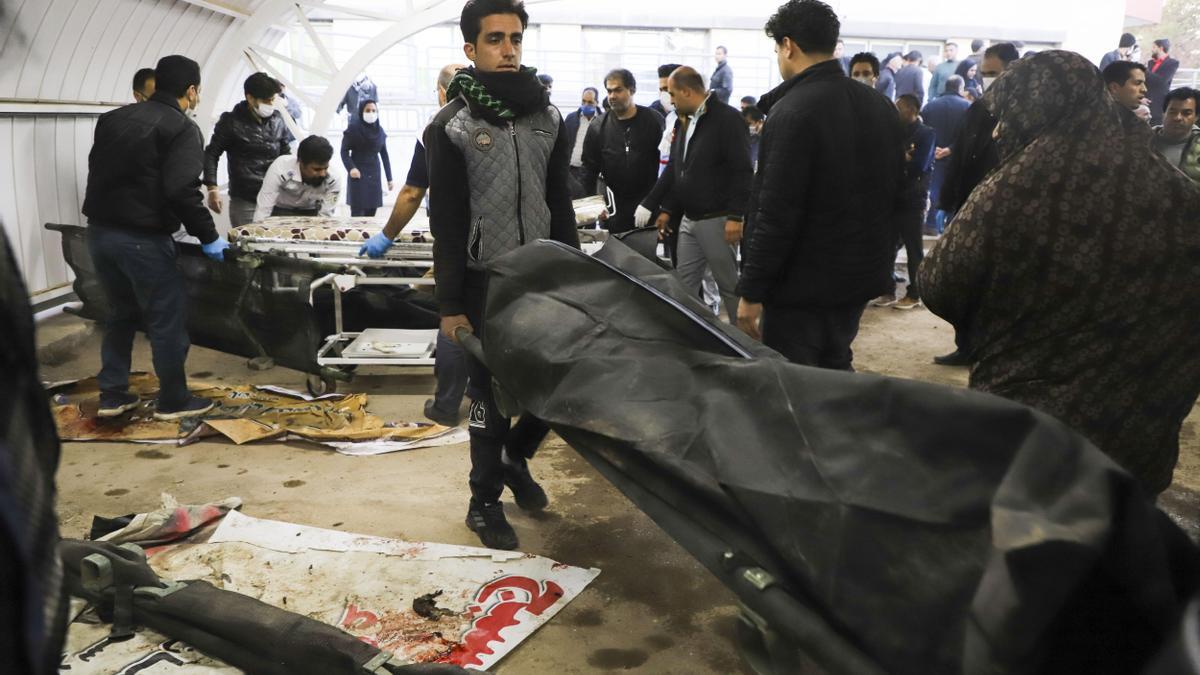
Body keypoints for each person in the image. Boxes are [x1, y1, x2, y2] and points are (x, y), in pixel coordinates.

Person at [921, 50, 1200, 498]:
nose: (999, 130)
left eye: (1007, 116)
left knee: (1031, 533)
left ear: (1032, 110)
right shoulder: (1176, 189)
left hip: (1033, 427)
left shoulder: (1017, 186)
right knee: (1119, 528)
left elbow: (940, 282)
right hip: (1141, 423)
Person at [425, 0, 579, 551]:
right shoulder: (452, 125)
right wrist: (450, 304)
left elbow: (559, 201)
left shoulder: (549, 118)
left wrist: (573, 273)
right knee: (488, 397)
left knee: (559, 381)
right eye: (495, 39)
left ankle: (517, 455)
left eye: (515, 38)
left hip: (539, 277)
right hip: (482, 282)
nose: (508, 49)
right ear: (471, 49)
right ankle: (484, 502)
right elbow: (446, 220)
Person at [736, 0, 904, 370]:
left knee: (796, 382)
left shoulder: (793, 110)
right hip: (857, 277)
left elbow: (776, 211)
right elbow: (897, 196)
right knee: (836, 363)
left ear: (788, 46)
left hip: (800, 285)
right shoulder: (880, 105)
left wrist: (752, 291)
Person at [82, 54, 229, 421]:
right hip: (142, 241)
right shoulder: (182, 129)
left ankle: (113, 395)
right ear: (191, 90)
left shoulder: (112, 119)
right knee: (165, 321)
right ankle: (174, 400)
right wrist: (209, 236)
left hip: (99, 234)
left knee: (119, 314)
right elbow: (181, 190)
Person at [359, 64, 469, 427]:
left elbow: (411, 192)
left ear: (441, 92)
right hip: (498, 236)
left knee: (454, 316)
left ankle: (446, 406)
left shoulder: (437, 126)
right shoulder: (501, 123)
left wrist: (387, 235)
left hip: (455, 239)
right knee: (489, 314)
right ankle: (485, 394)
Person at [931, 42, 1019, 367]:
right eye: (984, 73)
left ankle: (996, 350)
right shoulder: (979, 109)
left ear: (1013, 70)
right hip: (970, 206)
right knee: (965, 281)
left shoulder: (1030, 112)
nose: (986, 79)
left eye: (993, 73)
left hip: (1009, 212)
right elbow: (961, 155)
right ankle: (966, 345)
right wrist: (948, 201)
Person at [641, 66, 751, 323]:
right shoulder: (684, 121)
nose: (669, 100)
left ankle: (744, 340)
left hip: (717, 218)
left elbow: (743, 170)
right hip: (689, 219)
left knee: (728, 285)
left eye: (672, 93)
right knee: (685, 286)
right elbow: (679, 169)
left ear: (687, 92)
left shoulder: (728, 119)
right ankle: (688, 336)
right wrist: (667, 209)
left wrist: (736, 216)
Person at [579, 69, 664, 234]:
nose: (612, 96)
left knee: (644, 250)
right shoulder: (598, 126)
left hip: (647, 206)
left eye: (618, 90)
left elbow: (666, 166)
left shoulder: (654, 120)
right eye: (609, 91)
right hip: (613, 210)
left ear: (632, 90)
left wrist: (659, 204)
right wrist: (591, 208)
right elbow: (588, 169)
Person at [203, 72, 290, 227]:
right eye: (266, 100)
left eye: (272, 99)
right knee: (246, 241)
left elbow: (286, 155)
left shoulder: (278, 119)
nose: (271, 104)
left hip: (276, 198)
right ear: (250, 98)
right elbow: (211, 154)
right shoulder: (231, 122)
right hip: (245, 200)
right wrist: (212, 189)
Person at [872, 94, 934, 310]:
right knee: (887, 246)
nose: (895, 111)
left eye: (899, 107)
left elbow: (918, 166)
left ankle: (914, 294)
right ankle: (887, 290)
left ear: (911, 110)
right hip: (892, 198)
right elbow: (882, 159)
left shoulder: (926, 134)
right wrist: (902, 157)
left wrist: (899, 160)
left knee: (913, 249)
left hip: (913, 200)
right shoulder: (894, 133)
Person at [920, 75, 970, 234]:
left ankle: (931, 224)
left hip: (933, 155)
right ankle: (951, 226)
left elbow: (922, 130)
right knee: (955, 190)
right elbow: (970, 135)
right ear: (960, 88)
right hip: (957, 156)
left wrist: (934, 149)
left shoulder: (930, 106)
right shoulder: (968, 107)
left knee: (934, 191)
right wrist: (950, 149)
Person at [253, 135, 341, 222]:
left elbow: (325, 216)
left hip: (312, 212)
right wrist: (258, 228)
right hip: (280, 211)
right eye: (316, 169)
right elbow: (264, 209)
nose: (323, 174)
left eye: (325, 168)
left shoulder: (334, 179)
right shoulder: (280, 167)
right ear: (301, 162)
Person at [340, 99, 393, 217]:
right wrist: (351, 168)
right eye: (368, 110)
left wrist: (389, 179)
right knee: (357, 213)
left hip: (374, 174)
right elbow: (344, 151)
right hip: (358, 174)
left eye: (374, 110)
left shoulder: (380, 131)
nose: (371, 113)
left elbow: (384, 155)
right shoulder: (353, 129)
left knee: (371, 213)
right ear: (361, 111)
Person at [1152, 87, 1200, 182]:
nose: (1178, 118)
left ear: (1196, 117)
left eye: (1186, 113)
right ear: (1163, 113)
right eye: (1172, 112)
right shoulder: (1143, 140)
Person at [565, 87, 601, 199]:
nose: (586, 105)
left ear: (597, 102)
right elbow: (563, 143)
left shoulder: (603, 121)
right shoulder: (571, 118)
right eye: (583, 101)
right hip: (571, 171)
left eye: (590, 102)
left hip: (590, 173)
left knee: (587, 203)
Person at [1146, 39, 1180, 126]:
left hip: (1159, 102)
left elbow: (1162, 80)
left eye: (1154, 47)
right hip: (1146, 99)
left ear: (1161, 48)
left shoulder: (1172, 63)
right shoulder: (1150, 62)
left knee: (1156, 126)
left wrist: (1145, 71)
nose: (1151, 49)